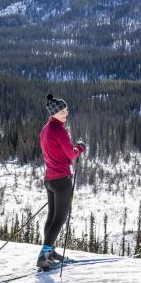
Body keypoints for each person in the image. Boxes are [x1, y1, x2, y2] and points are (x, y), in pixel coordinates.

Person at [37, 93, 86, 269]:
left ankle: (49, 251)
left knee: (51, 217)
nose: (66, 113)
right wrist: (80, 147)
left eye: (66, 110)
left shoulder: (45, 129)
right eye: (63, 111)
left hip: (50, 179)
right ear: (54, 113)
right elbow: (71, 153)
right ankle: (44, 255)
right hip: (62, 180)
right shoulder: (59, 130)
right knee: (59, 218)